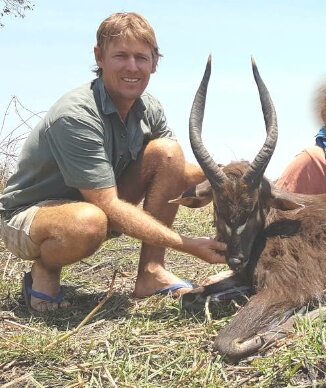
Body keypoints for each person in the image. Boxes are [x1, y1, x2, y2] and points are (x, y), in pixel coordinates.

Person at [0, 12, 226, 311]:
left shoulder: (149, 108)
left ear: (155, 61)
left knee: (169, 152)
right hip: (29, 219)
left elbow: (178, 172)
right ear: (99, 57)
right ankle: (45, 269)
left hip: (92, 205)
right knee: (88, 223)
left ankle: (151, 273)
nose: (132, 67)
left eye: (141, 58)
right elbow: (106, 206)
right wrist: (187, 245)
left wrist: (230, 178)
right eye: (121, 55)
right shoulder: (76, 114)